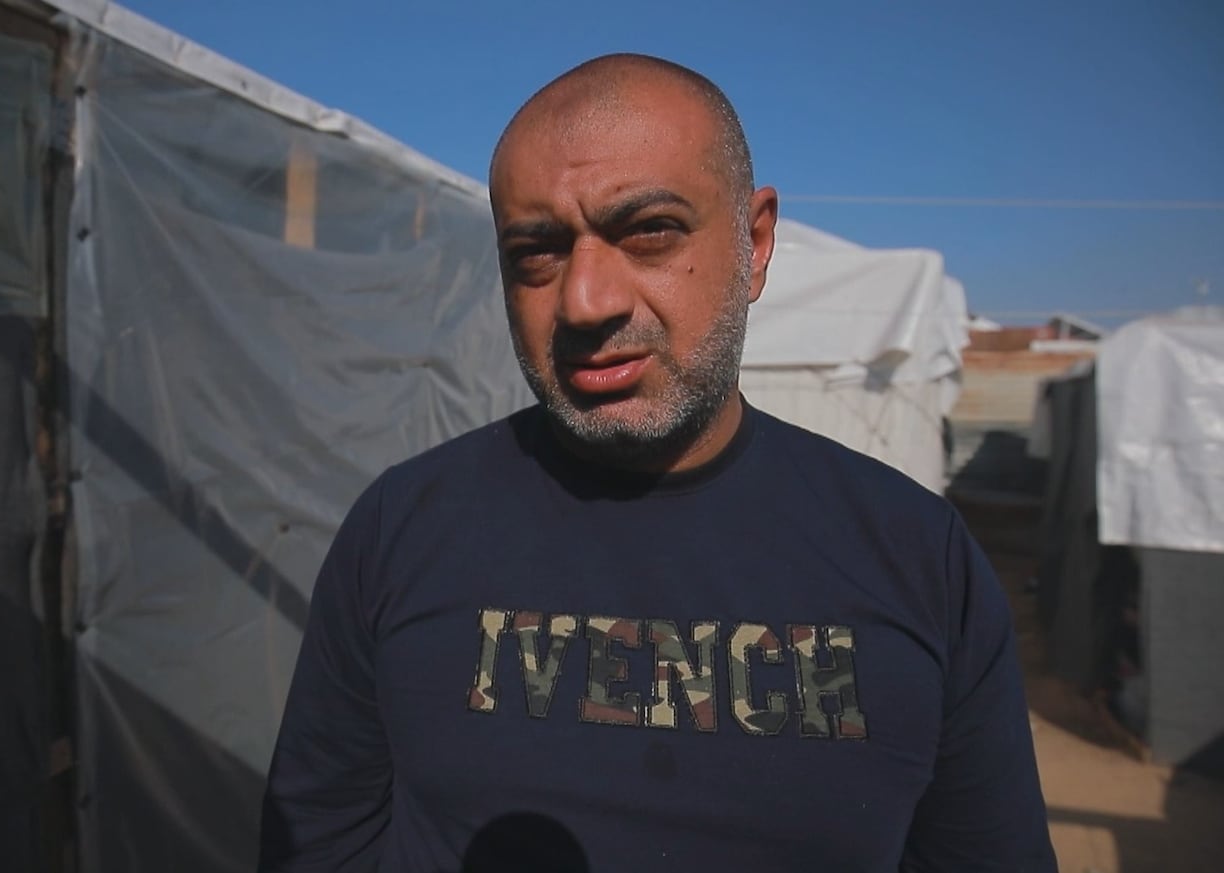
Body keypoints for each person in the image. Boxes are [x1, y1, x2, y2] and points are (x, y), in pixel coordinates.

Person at [260, 54, 1057, 872]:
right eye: (536, 253)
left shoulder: (917, 552)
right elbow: (319, 838)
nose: (585, 300)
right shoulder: (402, 528)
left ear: (753, 243)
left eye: (648, 232)